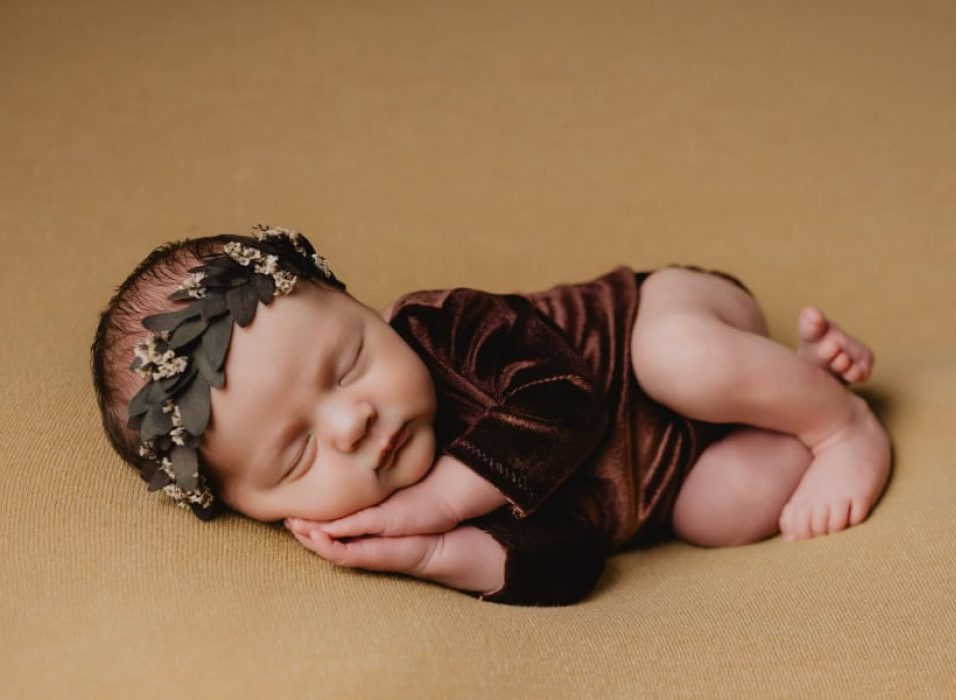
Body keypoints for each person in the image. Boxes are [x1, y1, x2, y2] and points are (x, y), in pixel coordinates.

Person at [90, 225, 892, 606]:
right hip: (668, 468)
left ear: (369, 309)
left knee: (684, 359)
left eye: (350, 363)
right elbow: (575, 562)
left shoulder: (445, 326)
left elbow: (564, 403)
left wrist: (438, 501)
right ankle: (805, 382)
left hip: (660, 318)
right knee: (726, 510)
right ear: (256, 509)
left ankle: (841, 425)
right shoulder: (405, 524)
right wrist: (436, 552)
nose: (352, 423)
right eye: (297, 456)